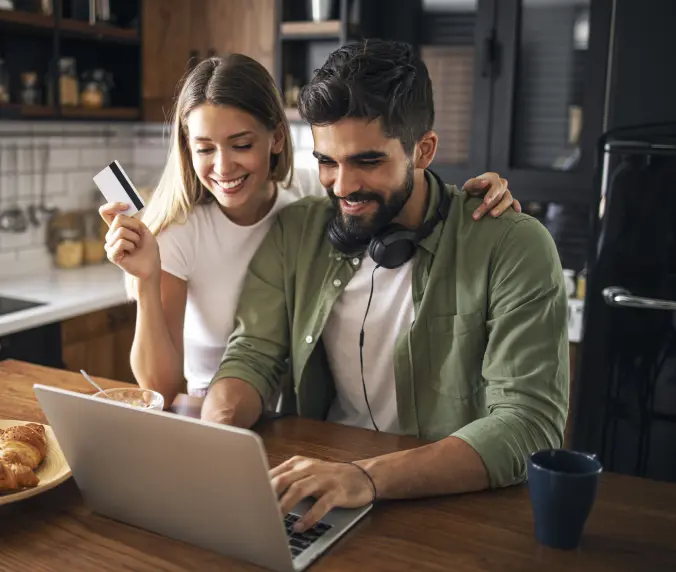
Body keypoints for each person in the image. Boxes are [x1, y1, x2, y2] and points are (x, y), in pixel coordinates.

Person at [201, 40, 569, 533]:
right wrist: (210, 437)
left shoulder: (511, 244)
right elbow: (253, 355)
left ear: (424, 150)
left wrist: (365, 478)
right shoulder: (298, 231)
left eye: (368, 162)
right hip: (324, 485)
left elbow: (529, 425)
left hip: (451, 503)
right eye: (327, 162)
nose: (343, 186)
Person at [100, 54, 520, 403]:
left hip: (293, 412)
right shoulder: (180, 232)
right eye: (204, 149)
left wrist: (470, 200)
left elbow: (381, 176)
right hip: (215, 408)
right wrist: (146, 281)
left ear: (277, 139)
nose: (223, 167)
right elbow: (159, 389)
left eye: (242, 144)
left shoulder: (304, 192)